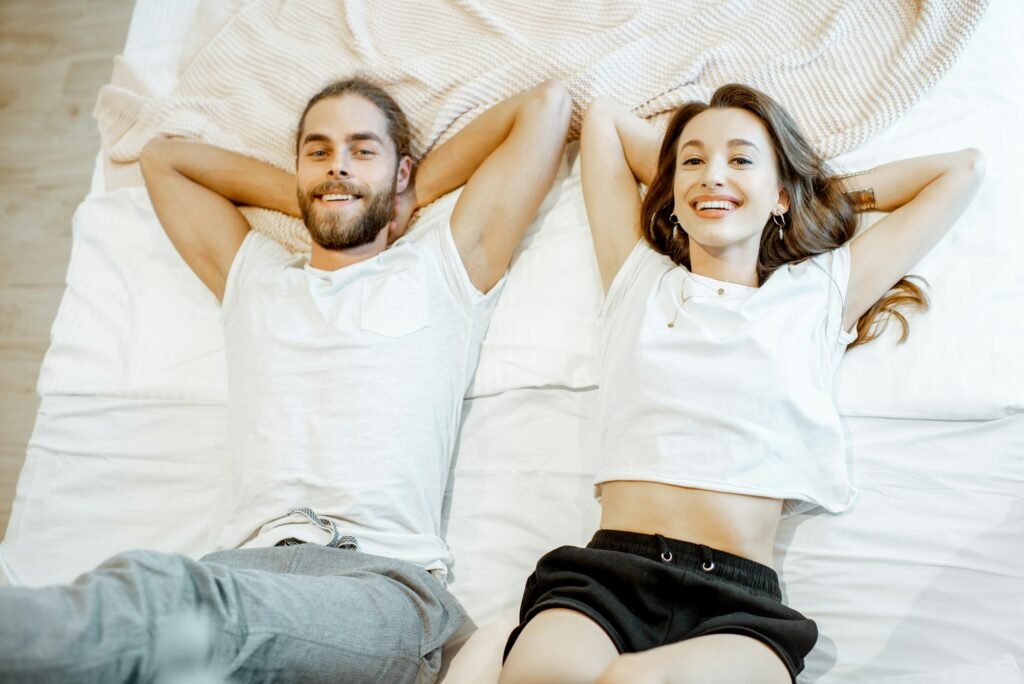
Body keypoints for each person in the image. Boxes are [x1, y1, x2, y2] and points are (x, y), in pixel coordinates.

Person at [0, 77, 571, 684]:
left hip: (377, 587)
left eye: (362, 150)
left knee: (162, 605)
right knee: (180, 631)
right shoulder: (255, 276)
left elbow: (547, 105)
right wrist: (326, 194)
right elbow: (163, 159)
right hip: (237, 574)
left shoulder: (440, 268)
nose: (338, 165)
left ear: (400, 170)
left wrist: (394, 195)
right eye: (318, 152)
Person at [499, 84, 983, 684]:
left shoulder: (819, 292)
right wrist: (717, 183)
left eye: (741, 158)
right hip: (606, 583)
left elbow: (961, 170)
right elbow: (605, 121)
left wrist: (802, 194)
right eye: (693, 160)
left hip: (737, 607)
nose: (713, 173)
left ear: (780, 192)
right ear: (670, 194)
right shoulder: (638, 278)